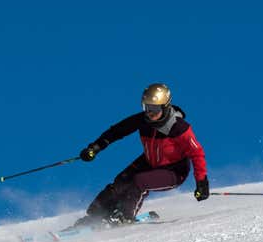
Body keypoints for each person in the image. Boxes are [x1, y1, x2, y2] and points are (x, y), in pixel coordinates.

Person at [75, 83, 209, 226]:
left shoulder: (179, 127)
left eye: (154, 109)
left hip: (174, 171)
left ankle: (125, 216)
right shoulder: (143, 120)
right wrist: (95, 148)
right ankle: (94, 215)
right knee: (121, 181)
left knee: (139, 182)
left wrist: (201, 183)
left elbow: (197, 153)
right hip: (150, 162)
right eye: (146, 108)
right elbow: (117, 131)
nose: (150, 113)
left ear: (165, 107)